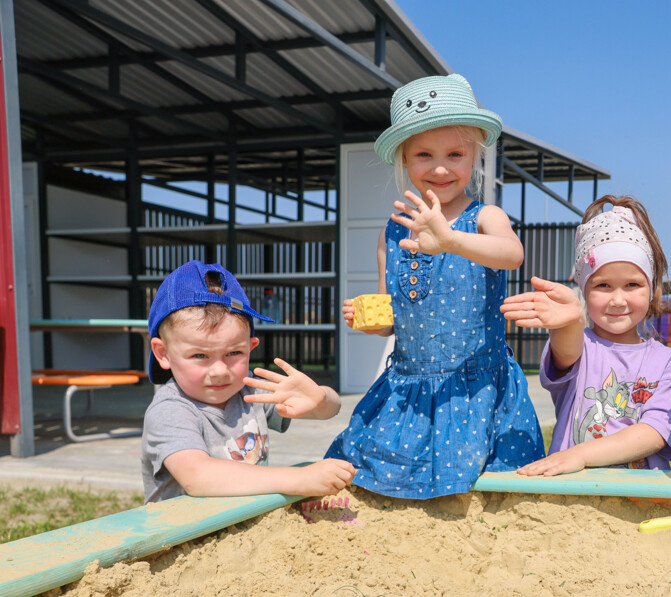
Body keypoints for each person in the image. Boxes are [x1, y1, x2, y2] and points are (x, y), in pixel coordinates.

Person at [327, 74, 542, 498]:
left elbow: (511, 253)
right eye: (424, 154)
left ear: (475, 156)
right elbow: (391, 320)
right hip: (409, 385)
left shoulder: (484, 217)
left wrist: (450, 240)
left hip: (477, 386)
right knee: (370, 473)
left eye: (455, 154)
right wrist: (370, 320)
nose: (440, 168)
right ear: (404, 160)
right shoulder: (392, 234)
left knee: (485, 484)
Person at [501, 196, 671, 475]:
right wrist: (571, 321)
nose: (618, 300)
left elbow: (654, 432)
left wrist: (581, 454)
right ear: (584, 289)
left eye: (632, 284)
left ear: (652, 288)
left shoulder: (668, 361)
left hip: (639, 495)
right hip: (573, 493)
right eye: (603, 285)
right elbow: (566, 351)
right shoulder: (582, 344)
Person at [142, 260, 353, 503]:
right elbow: (197, 476)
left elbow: (331, 410)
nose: (220, 371)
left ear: (250, 347)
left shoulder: (249, 390)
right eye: (200, 356)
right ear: (163, 354)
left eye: (234, 353)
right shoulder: (170, 409)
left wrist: (320, 399)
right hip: (185, 526)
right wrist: (300, 478)